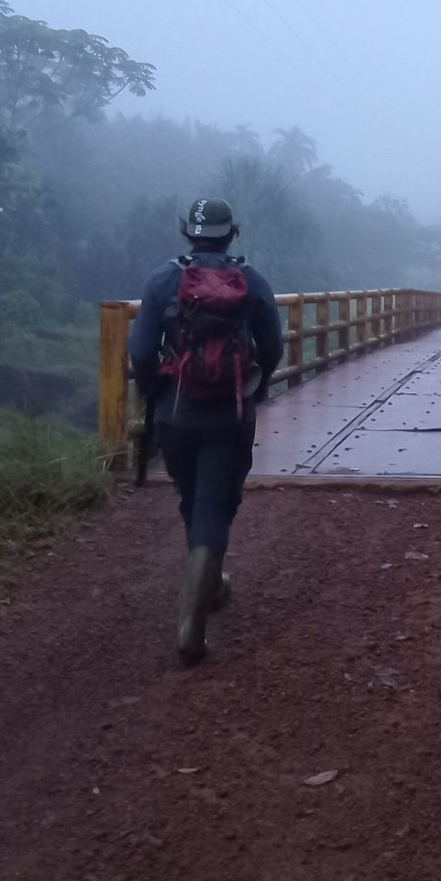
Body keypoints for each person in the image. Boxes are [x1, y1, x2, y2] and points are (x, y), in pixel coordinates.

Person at [127, 197, 282, 665]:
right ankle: (192, 622)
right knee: (215, 504)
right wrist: (256, 387)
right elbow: (272, 347)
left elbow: (139, 351)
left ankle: (212, 584)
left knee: (192, 499)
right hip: (227, 414)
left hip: (175, 412)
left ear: (186, 232)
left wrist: (157, 392)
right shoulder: (250, 280)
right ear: (231, 232)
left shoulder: (161, 280)